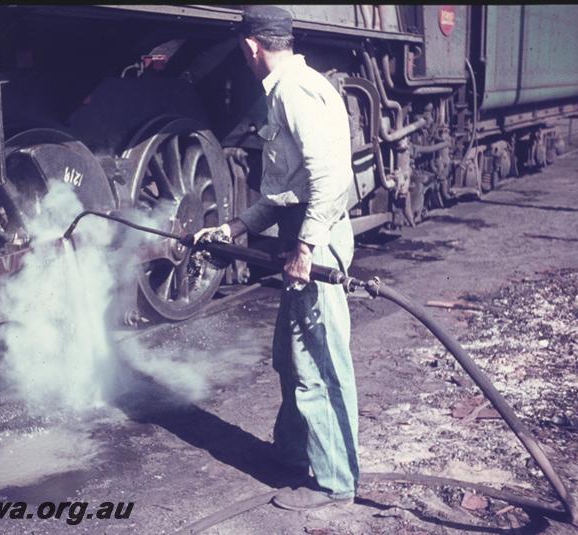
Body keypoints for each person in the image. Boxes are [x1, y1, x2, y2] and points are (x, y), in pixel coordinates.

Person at [194, 5, 359, 511]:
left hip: (317, 238)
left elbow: (329, 179)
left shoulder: (295, 92)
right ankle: (293, 455)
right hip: (303, 233)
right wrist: (235, 227)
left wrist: (306, 247)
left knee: (317, 363)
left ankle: (335, 484)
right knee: (291, 357)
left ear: (251, 47)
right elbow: (288, 190)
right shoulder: (293, 87)